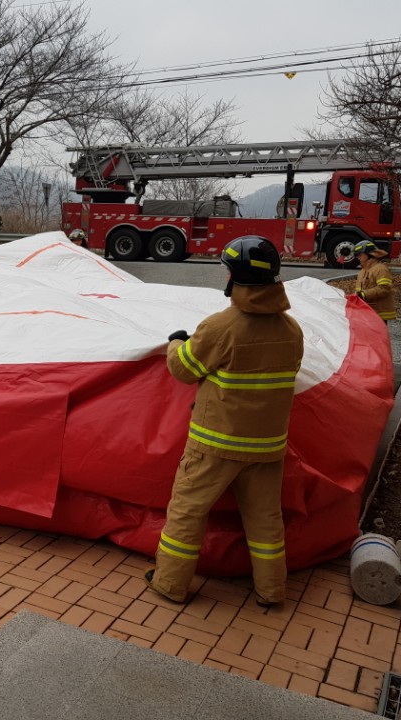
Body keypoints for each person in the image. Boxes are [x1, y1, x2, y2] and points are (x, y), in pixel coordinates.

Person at [145, 236, 304, 607]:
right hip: (267, 448)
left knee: (187, 512)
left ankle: (170, 583)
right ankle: (271, 590)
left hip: (215, 445)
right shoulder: (291, 331)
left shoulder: (221, 327)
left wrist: (176, 342)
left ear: (235, 277)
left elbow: (183, 369)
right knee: (265, 519)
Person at [353, 240, 396, 321]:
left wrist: (363, 294)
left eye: (360, 254)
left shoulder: (381, 269)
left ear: (369, 254)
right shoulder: (363, 271)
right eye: (356, 255)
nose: (358, 257)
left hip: (379, 313)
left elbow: (384, 289)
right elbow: (359, 291)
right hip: (368, 312)